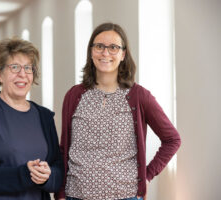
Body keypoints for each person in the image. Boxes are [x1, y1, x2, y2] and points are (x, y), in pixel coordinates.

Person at [55, 22, 181, 200]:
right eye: (99, 46)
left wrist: (147, 175)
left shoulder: (139, 96)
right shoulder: (74, 95)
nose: (105, 53)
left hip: (125, 196)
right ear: (91, 51)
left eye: (113, 47)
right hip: (75, 195)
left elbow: (172, 139)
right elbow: (65, 148)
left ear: (123, 54)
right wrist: (60, 193)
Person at [0, 37, 64, 200]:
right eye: (14, 67)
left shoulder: (44, 117)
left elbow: (58, 168)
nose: (22, 74)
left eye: (28, 68)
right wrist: (23, 174)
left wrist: (47, 176)